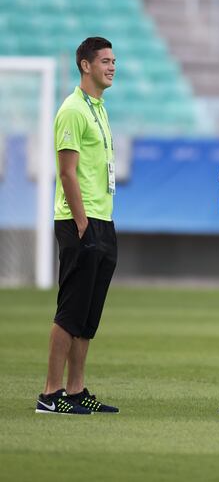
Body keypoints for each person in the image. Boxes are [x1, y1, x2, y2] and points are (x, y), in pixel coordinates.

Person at [36, 37, 118, 414]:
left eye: (114, 60)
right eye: (105, 60)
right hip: (78, 221)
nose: (112, 66)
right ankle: (50, 395)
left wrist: (99, 221)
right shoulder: (72, 109)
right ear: (85, 65)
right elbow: (66, 173)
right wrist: (83, 221)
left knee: (88, 315)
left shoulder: (98, 107)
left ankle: (75, 390)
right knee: (70, 310)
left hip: (103, 220)